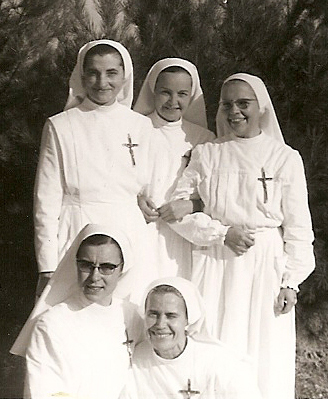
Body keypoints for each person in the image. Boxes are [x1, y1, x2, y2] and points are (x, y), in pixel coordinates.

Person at [166, 73, 316, 399]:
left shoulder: (284, 158)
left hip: (265, 267)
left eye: (243, 103)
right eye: (227, 104)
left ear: (261, 107)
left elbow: (299, 229)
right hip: (216, 261)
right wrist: (221, 233)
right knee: (216, 343)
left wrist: (292, 281)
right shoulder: (207, 154)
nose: (235, 111)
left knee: (265, 351)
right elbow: (179, 213)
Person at [34, 39, 157, 298]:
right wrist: (47, 266)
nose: (102, 82)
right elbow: (46, 201)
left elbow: (146, 186)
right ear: (82, 75)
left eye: (112, 73)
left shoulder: (141, 126)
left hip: (129, 232)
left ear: (125, 76)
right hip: (77, 229)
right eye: (93, 72)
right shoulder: (61, 125)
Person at [13, 224, 143, 399]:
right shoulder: (52, 324)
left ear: (121, 269)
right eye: (86, 265)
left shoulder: (132, 314)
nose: (95, 276)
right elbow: (47, 392)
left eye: (107, 267)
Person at [134, 58, 215, 278]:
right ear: (153, 91)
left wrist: (191, 205)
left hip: (183, 237)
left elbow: (216, 195)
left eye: (182, 94)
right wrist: (135, 199)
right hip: (140, 227)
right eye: (165, 92)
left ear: (192, 95)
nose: (173, 101)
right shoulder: (134, 128)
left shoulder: (204, 139)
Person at [120, 277, 262, 398]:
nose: (160, 324)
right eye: (153, 314)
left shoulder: (220, 363)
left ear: (188, 319)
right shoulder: (135, 360)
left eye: (171, 316)